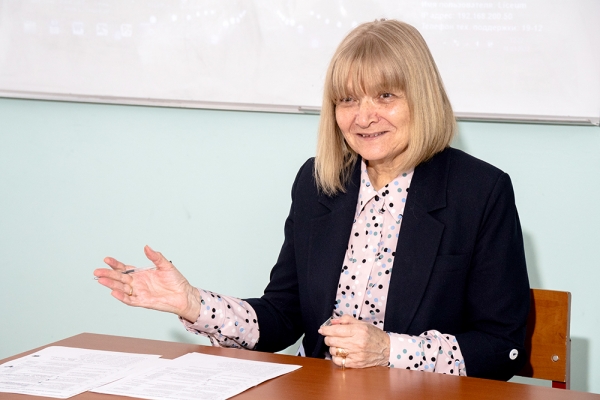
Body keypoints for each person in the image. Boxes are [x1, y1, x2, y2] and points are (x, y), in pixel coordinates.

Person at [94, 19, 530, 380]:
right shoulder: (318, 182)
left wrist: (388, 350)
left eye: (385, 96)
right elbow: (283, 316)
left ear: (422, 97)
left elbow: (500, 345)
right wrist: (193, 303)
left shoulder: (480, 191)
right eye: (347, 99)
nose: (363, 117)